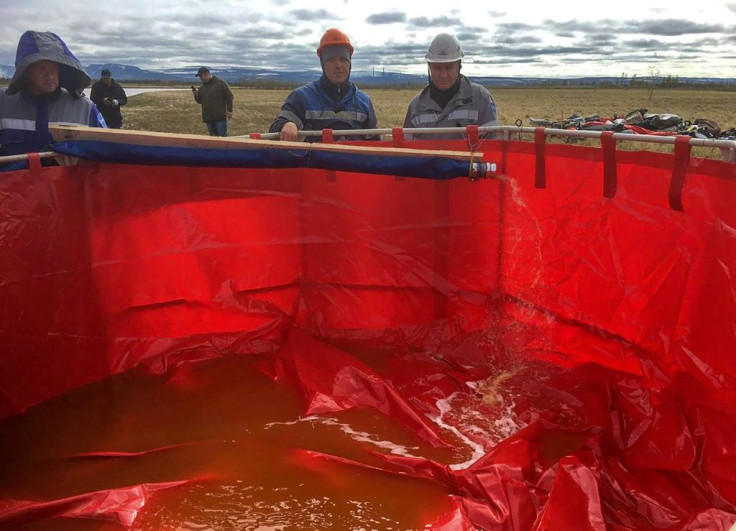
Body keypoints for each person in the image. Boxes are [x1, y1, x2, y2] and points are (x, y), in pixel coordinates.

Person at [0, 30, 106, 159]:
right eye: (42, 69)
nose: (50, 75)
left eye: (54, 68)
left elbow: (105, 150)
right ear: (26, 70)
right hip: (12, 178)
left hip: (67, 179)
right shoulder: (3, 103)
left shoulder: (84, 108)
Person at [269, 28, 378, 141]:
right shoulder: (301, 97)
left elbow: (375, 147)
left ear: (350, 63)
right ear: (322, 64)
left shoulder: (364, 102)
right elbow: (276, 130)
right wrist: (287, 124)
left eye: (343, 59)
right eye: (331, 60)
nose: (338, 65)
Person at [403, 33, 500, 140]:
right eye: (437, 68)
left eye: (449, 67)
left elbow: (493, 144)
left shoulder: (480, 98)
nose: (443, 75)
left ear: (459, 66)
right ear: (429, 67)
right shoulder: (416, 106)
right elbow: (406, 150)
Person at [192, 67, 233, 137]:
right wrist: (196, 95)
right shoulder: (201, 88)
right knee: (213, 139)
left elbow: (229, 96)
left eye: (201, 76)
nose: (200, 78)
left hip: (220, 117)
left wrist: (229, 111)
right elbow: (200, 101)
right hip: (208, 118)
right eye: (199, 77)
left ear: (207, 74)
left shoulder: (220, 83)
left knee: (222, 138)